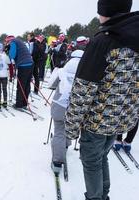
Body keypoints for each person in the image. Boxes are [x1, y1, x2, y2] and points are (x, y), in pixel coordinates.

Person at [65, 1, 139, 199]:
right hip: (120, 120)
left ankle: (96, 197)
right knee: (100, 157)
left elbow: (83, 90)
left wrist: (71, 128)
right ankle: (102, 195)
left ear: (106, 12)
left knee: (91, 161)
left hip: (97, 123)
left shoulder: (104, 41)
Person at [48, 36, 88, 173]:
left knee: (59, 130)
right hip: (76, 108)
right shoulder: (86, 71)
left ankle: (57, 162)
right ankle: (65, 144)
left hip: (59, 105)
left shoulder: (64, 69)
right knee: (68, 128)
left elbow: (51, 85)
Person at [6, 35, 33, 109]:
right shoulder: (20, 41)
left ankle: (19, 104)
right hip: (30, 64)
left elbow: (12, 55)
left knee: (21, 85)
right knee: (27, 85)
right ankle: (24, 103)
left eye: (7, 42)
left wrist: (8, 53)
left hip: (23, 65)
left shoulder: (13, 42)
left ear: (9, 41)